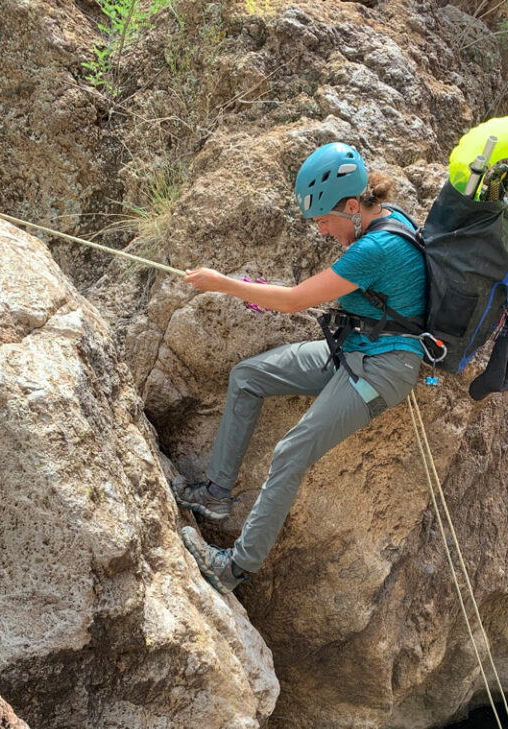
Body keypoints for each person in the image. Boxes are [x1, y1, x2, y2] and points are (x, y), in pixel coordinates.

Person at [174, 141, 427, 595]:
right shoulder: (382, 221)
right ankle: (215, 494)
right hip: (352, 350)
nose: (323, 231)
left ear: (353, 206)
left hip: (380, 370)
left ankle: (232, 570)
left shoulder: (377, 248)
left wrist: (220, 284)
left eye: (326, 220)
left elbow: (294, 300)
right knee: (248, 376)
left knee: (291, 451)